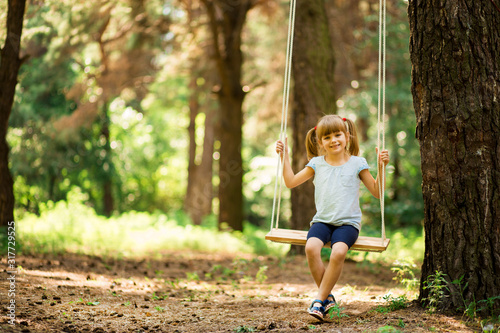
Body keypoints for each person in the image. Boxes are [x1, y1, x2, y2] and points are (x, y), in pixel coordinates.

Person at [275, 114, 389, 321]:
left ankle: (319, 300)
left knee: (338, 253)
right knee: (310, 248)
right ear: (320, 142)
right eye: (327, 137)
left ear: (347, 136)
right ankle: (327, 299)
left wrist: (381, 167)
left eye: (338, 135)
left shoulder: (358, 163)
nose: (333, 140)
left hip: (348, 223)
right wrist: (285, 156)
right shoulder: (316, 164)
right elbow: (291, 182)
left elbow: (377, 192)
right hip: (322, 221)